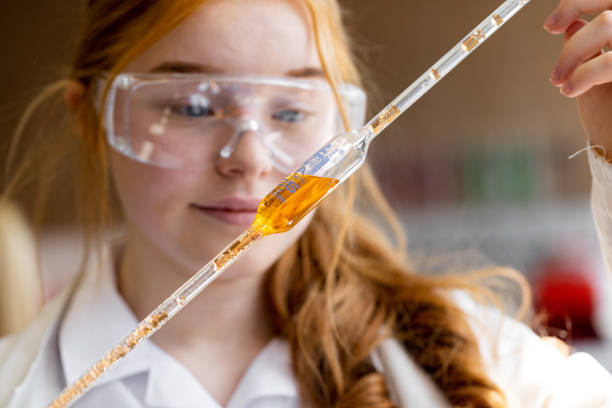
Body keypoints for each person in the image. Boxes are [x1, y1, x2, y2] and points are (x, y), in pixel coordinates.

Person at [1, 0, 612, 407]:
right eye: (190, 106)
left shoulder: (470, 359)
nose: (250, 158)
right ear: (92, 120)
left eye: (291, 111)